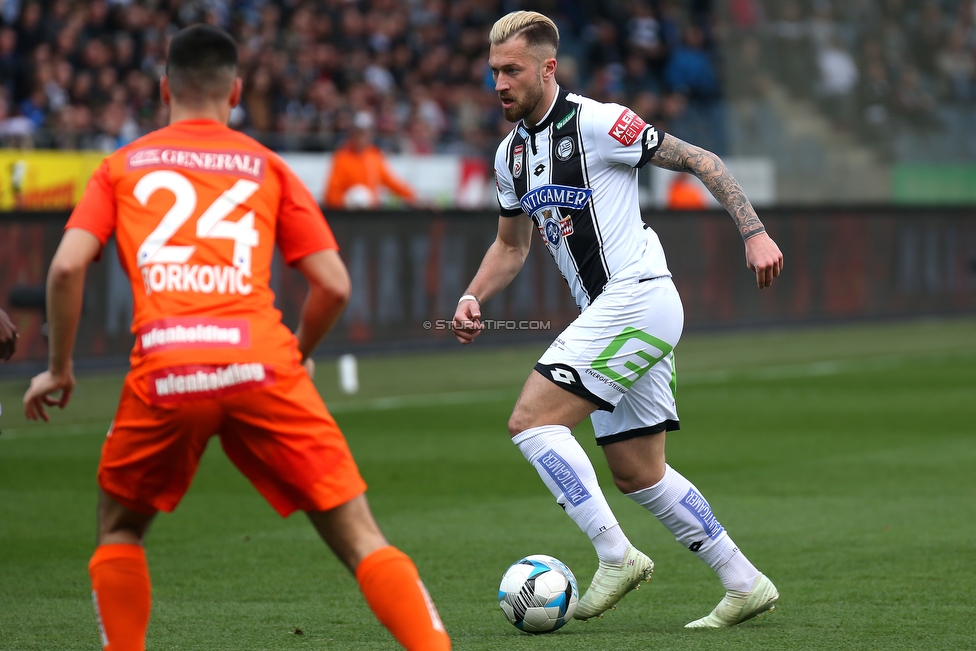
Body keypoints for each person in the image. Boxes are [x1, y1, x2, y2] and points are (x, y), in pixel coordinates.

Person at [22, 25, 450, 651]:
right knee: (360, 535)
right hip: (262, 359)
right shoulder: (266, 164)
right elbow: (332, 285)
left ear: (165, 87)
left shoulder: (121, 166)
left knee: (119, 528)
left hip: (167, 363)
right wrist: (294, 355)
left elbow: (64, 268)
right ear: (237, 91)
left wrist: (59, 368)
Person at [452, 11, 784, 628]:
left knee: (530, 422)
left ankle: (615, 554)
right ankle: (745, 582)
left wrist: (754, 232)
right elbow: (511, 246)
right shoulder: (510, 156)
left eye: (512, 70)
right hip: (614, 311)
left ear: (548, 68)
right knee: (638, 472)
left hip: (637, 296)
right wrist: (474, 296)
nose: (499, 82)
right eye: (493, 71)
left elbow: (701, 159)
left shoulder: (600, 123)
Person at [323, 110, 418, 209]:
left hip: (371, 214)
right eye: (359, 132)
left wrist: (411, 195)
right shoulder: (341, 157)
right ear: (352, 134)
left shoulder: (374, 155)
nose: (362, 137)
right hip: (348, 214)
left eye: (365, 133)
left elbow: (390, 181)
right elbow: (331, 193)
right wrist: (347, 200)